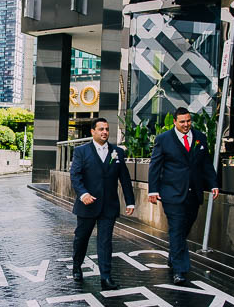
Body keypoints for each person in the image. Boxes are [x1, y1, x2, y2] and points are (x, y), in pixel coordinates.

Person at [148, 107, 219, 285]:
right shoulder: (163, 140)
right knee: (177, 229)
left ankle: (174, 256)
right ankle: (180, 270)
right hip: (172, 193)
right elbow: (155, 166)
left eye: (188, 121)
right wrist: (153, 190)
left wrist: (213, 184)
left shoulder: (200, 137)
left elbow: (206, 163)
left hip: (194, 192)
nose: (186, 125)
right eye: (182, 122)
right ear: (174, 122)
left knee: (184, 228)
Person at [70, 118, 135, 290]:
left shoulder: (117, 152)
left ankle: (105, 277)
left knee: (105, 242)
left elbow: (125, 179)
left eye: (106, 129)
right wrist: (83, 193)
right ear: (92, 131)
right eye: (101, 129)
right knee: (81, 238)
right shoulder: (81, 151)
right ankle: (77, 266)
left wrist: (130, 201)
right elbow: (75, 176)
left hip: (109, 205)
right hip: (87, 204)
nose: (105, 132)